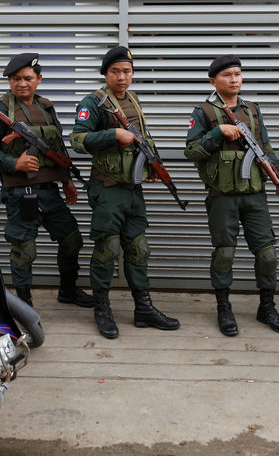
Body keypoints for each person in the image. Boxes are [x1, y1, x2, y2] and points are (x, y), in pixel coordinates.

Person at [69, 46, 179, 339]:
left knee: (139, 249)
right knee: (107, 250)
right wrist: (113, 135)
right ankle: (102, 309)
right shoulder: (93, 102)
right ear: (106, 73)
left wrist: (154, 163)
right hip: (107, 189)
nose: (121, 77)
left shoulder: (131, 99)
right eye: (115, 71)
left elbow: (144, 135)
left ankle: (143, 308)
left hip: (133, 189)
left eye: (127, 71)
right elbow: (78, 140)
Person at [0, 53, 93, 308]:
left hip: (49, 191)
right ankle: (23, 303)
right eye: (15, 79)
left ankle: (68, 290)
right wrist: (13, 163)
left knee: (72, 239)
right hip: (20, 194)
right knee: (24, 251)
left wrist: (67, 180)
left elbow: (57, 147)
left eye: (28, 78)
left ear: (39, 79)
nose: (22, 83)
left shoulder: (47, 107)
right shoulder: (0, 108)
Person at [184, 55, 279, 337]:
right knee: (225, 253)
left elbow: (266, 147)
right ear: (213, 81)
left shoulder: (253, 110)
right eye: (227, 75)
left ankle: (267, 307)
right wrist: (217, 133)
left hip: (255, 194)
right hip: (222, 196)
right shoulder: (204, 112)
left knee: (268, 254)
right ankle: (224, 308)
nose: (234, 79)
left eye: (238, 74)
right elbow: (192, 151)